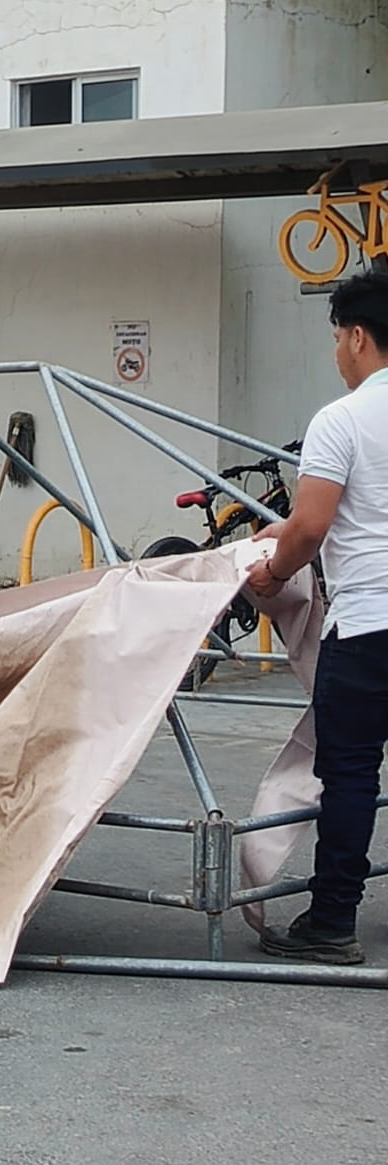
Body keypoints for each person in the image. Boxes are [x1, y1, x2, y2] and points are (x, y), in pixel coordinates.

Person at [248, 269, 388, 964]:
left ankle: (332, 921)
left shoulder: (342, 418)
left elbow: (311, 527)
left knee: (351, 774)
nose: (337, 353)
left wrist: (273, 572)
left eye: (337, 338)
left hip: (368, 626)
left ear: (358, 337)